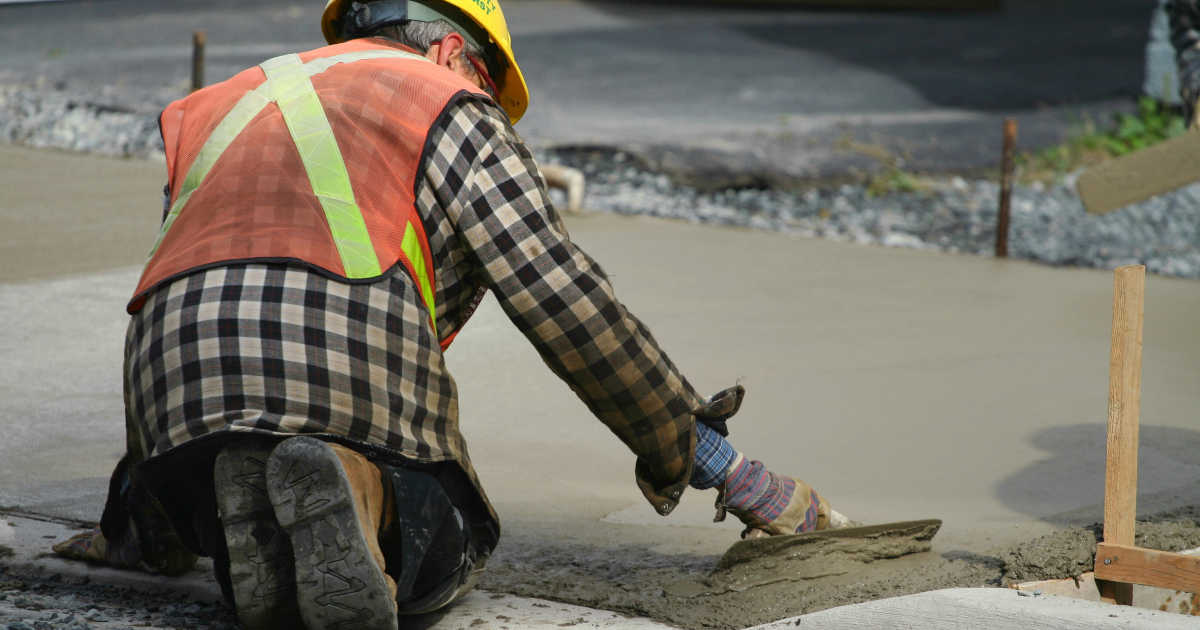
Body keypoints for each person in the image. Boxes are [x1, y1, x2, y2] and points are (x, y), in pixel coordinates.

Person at [52, 1, 857, 627]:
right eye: (484, 75)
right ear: (449, 49)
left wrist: (134, 525)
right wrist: (716, 465)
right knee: (451, 528)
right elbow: (566, 303)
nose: (487, 98)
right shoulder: (447, 103)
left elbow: (168, 298)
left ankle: (236, 513)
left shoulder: (225, 103)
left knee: (244, 518)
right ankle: (363, 488)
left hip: (173, 411)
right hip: (339, 386)